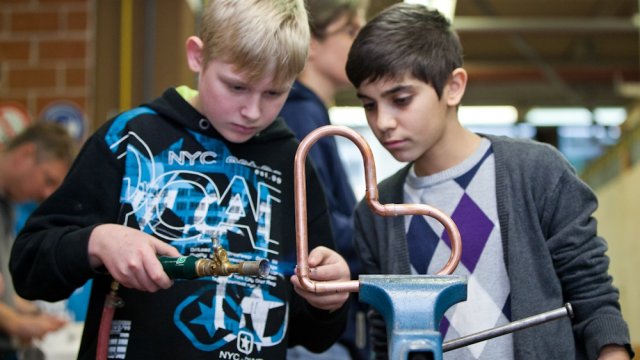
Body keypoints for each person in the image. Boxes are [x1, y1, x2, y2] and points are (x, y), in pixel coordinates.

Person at [9, 1, 351, 359]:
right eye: (236, 87)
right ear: (196, 56)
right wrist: (97, 241)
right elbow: (29, 266)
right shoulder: (130, 138)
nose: (252, 111)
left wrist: (327, 299)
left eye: (273, 93)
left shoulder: (291, 163)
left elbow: (313, 336)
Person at [345, 3, 634, 360]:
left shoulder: (536, 172)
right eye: (369, 105)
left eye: (400, 100)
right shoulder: (377, 209)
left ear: (453, 87)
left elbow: (594, 299)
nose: (383, 122)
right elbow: (383, 332)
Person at [277, 1, 369, 359]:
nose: (360, 41)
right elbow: (317, 226)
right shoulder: (300, 115)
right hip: (313, 331)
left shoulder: (312, 112)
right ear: (311, 43)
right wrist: (388, 236)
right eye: (350, 30)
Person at [0, 121, 75, 360]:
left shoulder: (7, 207)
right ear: (26, 154)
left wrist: (30, 312)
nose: (46, 194)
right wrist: (14, 322)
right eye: (48, 180)